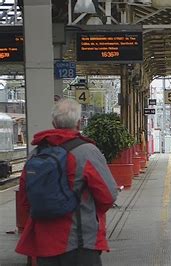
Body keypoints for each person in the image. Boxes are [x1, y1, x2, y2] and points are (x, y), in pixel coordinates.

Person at [15, 98, 118, 266]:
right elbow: (108, 195)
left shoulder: (36, 153)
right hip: (80, 241)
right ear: (78, 123)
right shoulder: (87, 151)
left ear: (54, 123)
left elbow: (25, 198)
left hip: (44, 243)